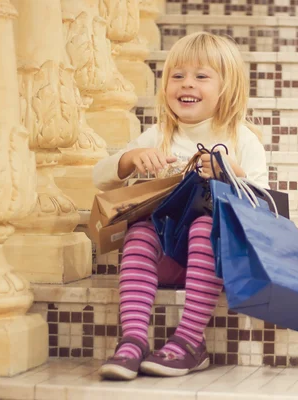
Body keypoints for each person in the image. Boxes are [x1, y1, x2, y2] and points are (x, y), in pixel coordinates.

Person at [93, 32, 268, 380]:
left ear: (227, 88)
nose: (187, 84)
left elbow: (263, 204)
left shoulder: (241, 139)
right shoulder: (158, 135)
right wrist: (131, 159)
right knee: (141, 231)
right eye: (177, 76)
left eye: (201, 76)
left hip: (220, 259)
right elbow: (101, 178)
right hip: (169, 260)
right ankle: (133, 339)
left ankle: (190, 341)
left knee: (207, 225)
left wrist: (233, 173)